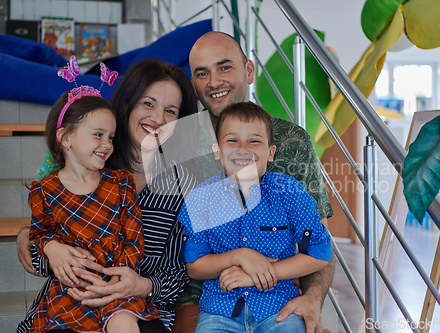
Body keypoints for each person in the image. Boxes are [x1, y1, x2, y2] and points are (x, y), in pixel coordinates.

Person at [17, 58, 199, 333]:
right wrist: (45, 247)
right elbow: (42, 244)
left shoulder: (183, 185)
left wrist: (141, 285)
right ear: (127, 104)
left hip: (138, 308)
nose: (159, 119)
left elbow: (181, 273)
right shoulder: (89, 160)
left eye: (171, 111)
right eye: (148, 103)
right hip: (71, 302)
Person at [173, 31, 335, 333]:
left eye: (224, 67)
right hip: (205, 295)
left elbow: (318, 240)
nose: (214, 81)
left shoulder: (292, 141)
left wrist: (312, 297)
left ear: (248, 70)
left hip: (276, 289)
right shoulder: (178, 141)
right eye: (202, 73)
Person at [23, 85, 160, 333]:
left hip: (117, 283)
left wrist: (118, 277)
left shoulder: (121, 183)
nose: (107, 144)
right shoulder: (44, 191)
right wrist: (51, 247)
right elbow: (40, 234)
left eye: (110, 137)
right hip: (71, 290)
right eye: (98, 134)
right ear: (66, 138)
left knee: (124, 322)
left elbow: (134, 238)